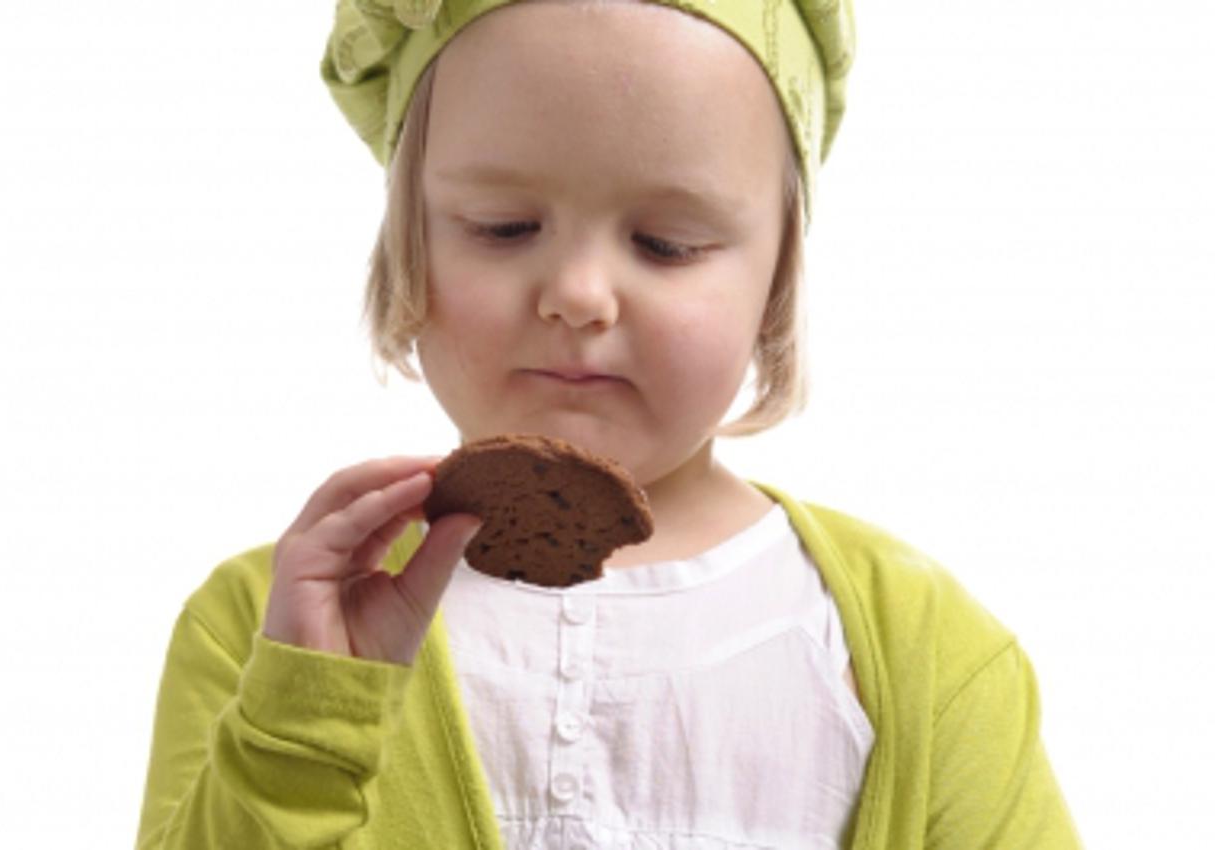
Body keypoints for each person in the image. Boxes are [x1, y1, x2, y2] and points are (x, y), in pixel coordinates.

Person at [136, 1, 1082, 848]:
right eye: (504, 226)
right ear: (407, 240)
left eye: (667, 245)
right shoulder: (272, 625)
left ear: (778, 278)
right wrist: (301, 725)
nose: (579, 295)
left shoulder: (921, 647)